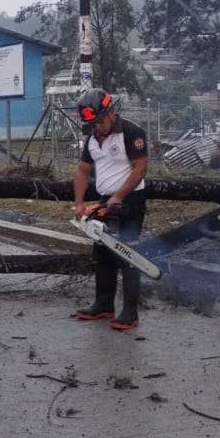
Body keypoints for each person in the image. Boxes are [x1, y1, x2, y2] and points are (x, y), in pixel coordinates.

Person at [71, 89, 149, 331]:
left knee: (128, 256)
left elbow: (140, 168)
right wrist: (80, 203)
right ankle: (104, 304)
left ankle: (130, 312)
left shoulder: (131, 132)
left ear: (111, 113)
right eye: (92, 124)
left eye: (100, 122)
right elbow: (83, 171)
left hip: (130, 200)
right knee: (103, 254)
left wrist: (119, 197)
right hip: (105, 200)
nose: (97, 127)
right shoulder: (92, 139)